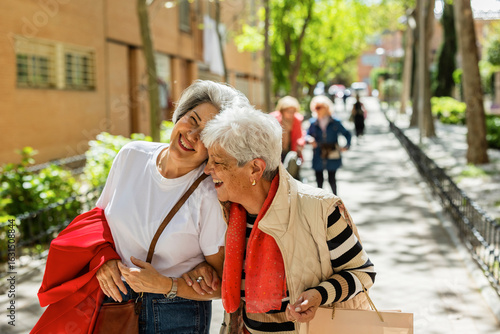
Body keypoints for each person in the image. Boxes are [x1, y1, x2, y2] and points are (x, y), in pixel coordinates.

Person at [32, 80, 248, 334]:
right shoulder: (131, 155)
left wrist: (169, 284)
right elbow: (98, 222)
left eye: (206, 134)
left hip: (177, 315)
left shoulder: (209, 193)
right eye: (193, 119)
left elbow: (225, 285)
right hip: (114, 302)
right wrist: (103, 260)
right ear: (180, 116)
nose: (192, 135)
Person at [198, 106, 375, 334]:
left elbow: (363, 273)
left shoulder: (319, 209)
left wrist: (320, 294)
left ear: (255, 168)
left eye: (218, 162)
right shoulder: (225, 213)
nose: (207, 169)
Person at [306, 95, 351, 194]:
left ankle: (335, 202)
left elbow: (347, 134)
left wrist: (346, 146)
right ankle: (320, 202)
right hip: (318, 153)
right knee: (319, 180)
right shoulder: (313, 123)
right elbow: (306, 135)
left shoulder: (335, 122)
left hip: (332, 151)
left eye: (319, 107)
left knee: (332, 179)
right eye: (316, 108)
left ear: (326, 108)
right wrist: (309, 139)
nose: (317, 110)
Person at [269, 96, 305, 179]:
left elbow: (300, 135)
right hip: (277, 150)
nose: (291, 114)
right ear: (282, 110)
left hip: (291, 149)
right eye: (288, 111)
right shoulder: (273, 118)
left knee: (292, 174)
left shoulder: (297, 120)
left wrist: (300, 144)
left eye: (293, 111)